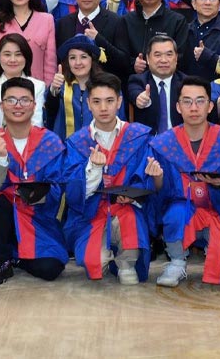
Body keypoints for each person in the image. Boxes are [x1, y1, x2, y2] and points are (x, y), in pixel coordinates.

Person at [148, 76, 220, 287]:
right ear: (178, 107)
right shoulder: (163, 144)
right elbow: (159, 196)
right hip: (184, 209)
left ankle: (213, 248)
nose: (194, 107)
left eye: (200, 101)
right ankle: (177, 260)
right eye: (187, 101)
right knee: (174, 213)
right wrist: (157, 179)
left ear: (210, 106)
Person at [63, 73, 160, 284]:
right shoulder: (77, 142)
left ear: (119, 101)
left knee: (130, 221)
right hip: (92, 213)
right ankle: (106, 255)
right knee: (93, 262)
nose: (103, 108)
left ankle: (126, 262)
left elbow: (146, 181)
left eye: (109, 101)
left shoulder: (139, 136)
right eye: (96, 101)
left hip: (126, 210)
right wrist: (94, 168)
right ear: (88, 103)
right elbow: (73, 193)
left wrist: (136, 194)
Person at [0, 78, 67, 285]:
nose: (18, 106)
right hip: (3, 218)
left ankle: (17, 256)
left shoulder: (50, 142)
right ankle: (1, 261)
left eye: (25, 100)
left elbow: (56, 187)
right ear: (1, 105)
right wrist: (0, 158)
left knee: (50, 269)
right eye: (11, 100)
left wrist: (33, 194)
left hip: (37, 218)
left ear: (35, 105)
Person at [54, 0, 130, 77]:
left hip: (104, 88)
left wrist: (98, 39)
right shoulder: (63, 23)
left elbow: (124, 62)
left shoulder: (116, 21)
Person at [0, 33, 48, 133]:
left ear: (26, 57)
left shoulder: (38, 86)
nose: (13, 60)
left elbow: (37, 123)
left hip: (26, 145)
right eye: (7, 54)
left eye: (18, 54)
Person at [122, 0, 191, 68]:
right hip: (133, 78)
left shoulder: (177, 20)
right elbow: (121, 53)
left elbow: (181, 54)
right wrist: (133, 63)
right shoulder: (126, 20)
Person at [45, 35, 103, 140]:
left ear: (92, 60)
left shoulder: (105, 88)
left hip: (99, 149)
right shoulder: (60, 87)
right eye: (72, 58)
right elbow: (50, 114)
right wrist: (53, 91)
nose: (78, 63)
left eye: (83, 57)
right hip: (65, 149)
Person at [127, 34, 185, 133]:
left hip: (180, 141)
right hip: (149, 142)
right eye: (157, 55)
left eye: (169, 54)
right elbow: (134, 91)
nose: (163, 60)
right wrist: (139, 98)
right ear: (148, 59)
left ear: (176, 58)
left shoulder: (187, 83)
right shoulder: (138, 81)